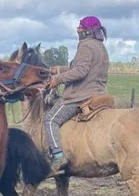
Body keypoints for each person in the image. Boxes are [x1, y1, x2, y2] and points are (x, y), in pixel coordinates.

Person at [44, 16, 110, 174]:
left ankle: (58, 156)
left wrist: (57, 80)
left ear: (87, 30)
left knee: (50, 119)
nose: (77, 29)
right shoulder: (100, 47)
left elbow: (80, 72)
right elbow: (79, 67)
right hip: (98, 91)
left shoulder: (86, 46)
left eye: (80, 27)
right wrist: (58, 69)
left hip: (81, 95)